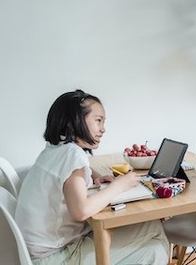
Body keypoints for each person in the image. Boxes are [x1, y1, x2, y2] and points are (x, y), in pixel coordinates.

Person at [15, 90, 169, 265]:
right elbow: (81, 211)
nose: (103, 129)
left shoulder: (54, 149)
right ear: (76, 120)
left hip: (35, 254)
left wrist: (94, 177)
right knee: (154, 230)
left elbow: (67, 178)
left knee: (153, 247)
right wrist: (119, 185)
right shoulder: (73, 154)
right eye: (98, 120)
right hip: (57, 256)